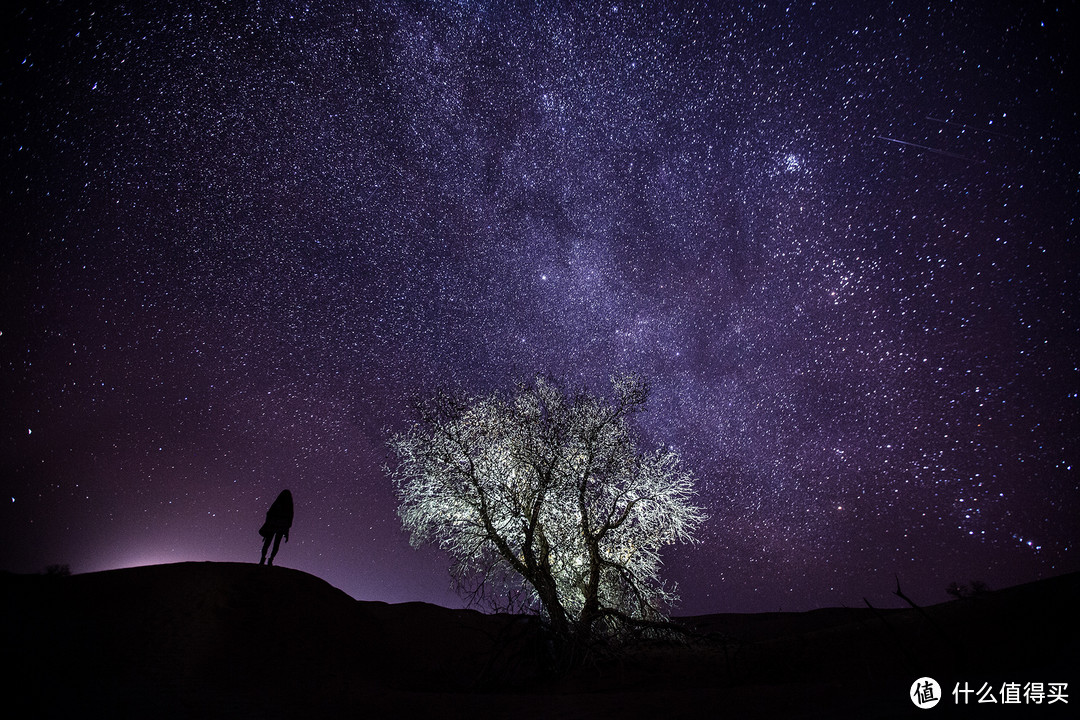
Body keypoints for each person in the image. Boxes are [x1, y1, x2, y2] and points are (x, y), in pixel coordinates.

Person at [259, 489, 293, 566]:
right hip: (277, 527)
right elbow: (289, 519)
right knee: (273, 544)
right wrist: (286, 532)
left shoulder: (278, 504)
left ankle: (264, 559)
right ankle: (268, 559)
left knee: (270, 544)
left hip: (275, 526)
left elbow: (269, 514)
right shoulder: (288, 507)